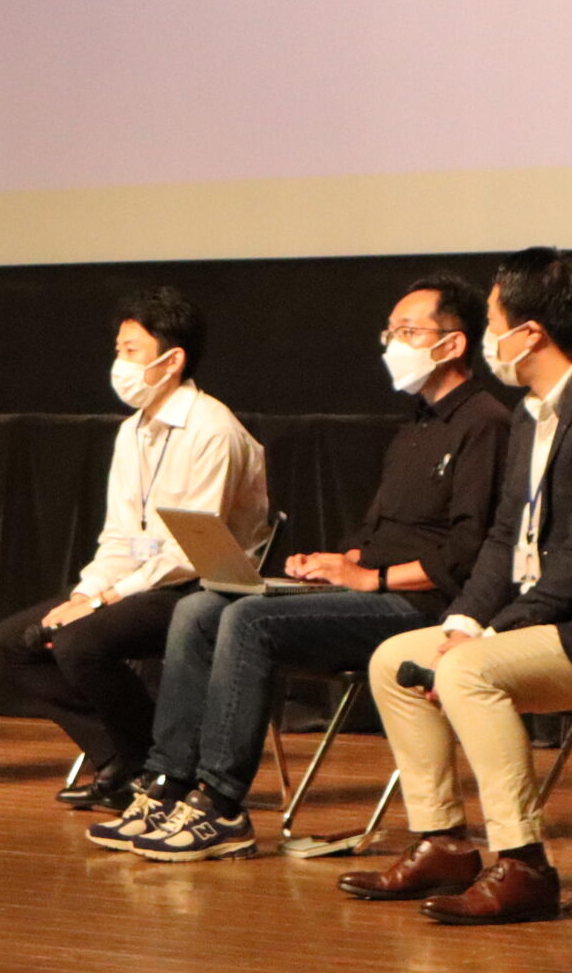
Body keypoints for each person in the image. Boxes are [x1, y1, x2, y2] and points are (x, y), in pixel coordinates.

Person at [88, 275, 510, 862]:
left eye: (408, 332)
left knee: (249, 620)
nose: (393, 344)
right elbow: (380, 531)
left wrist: (372, 579)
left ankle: (222, 802)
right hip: (371, 587)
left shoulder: (485, 423)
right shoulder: (417, 425)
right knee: (201, 607)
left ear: (453, 344)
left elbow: (467, 553)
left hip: (421, 605)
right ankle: (168, 781)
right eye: (390, 332)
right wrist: (342, 559)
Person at [340, 247, 572, 924]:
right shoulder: (533, 411)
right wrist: (463, 623)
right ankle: (444, 844)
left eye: (496, 322)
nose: (489, 336)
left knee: (468, 673)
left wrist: (492, 636)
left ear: (530, 333)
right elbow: (504, 538)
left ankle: (525, 864)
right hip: (553, 620)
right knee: (393, 661)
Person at [0, 287, 266, 811]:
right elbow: (119, 535)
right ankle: (125, 757)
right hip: (142, 582)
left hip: (204, 588)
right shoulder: (132, 432)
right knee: (11, 644)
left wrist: (104, 601)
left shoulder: (213, 431)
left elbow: (191, 551)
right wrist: (86, 592)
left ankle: (153, 763)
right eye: (119, 350)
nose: (120, 363)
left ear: (172, 360)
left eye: (132, 351)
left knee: (80, 643)